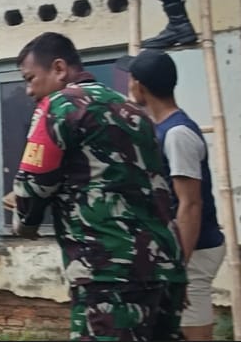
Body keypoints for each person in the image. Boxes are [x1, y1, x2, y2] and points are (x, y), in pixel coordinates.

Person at [11, 32, 185, 341]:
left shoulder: (59, 105)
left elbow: (33, 185)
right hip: (165, 267)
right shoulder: (134, 111)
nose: (28, 90)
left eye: (30, 78)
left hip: (109, 270)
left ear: (59, 69)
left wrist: (25, 223)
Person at [117, 49, 226, 341]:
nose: (128, 85)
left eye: (130, 79)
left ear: (139, 86)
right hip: (181, 249)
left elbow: (190, 205)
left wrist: (180, 271)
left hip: (195, 250)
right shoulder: (160, 128)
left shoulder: (177, 134)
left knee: (192, 330)